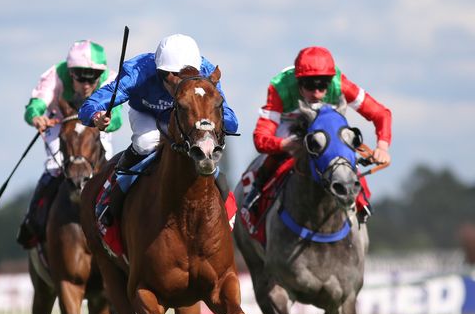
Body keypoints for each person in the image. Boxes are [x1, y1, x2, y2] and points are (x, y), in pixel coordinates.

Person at [78, 34, 239, 225]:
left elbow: (230, 120)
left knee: (203, 145)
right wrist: (96, 116)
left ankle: (227, 207)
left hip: (182, 117)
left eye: (188, 75)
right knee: (145, 143)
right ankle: (110, 195)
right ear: (161, 72)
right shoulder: (138, 71)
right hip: (146, 113)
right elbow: (90, 106)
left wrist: (212, 122)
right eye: (172, 77)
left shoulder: (207, 72)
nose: (179, 82)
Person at [246, 46, 392, 221]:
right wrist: (285, 145)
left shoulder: (340, 83)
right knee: (278, 152)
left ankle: (361, 201)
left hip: (325, 119)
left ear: (330, 82)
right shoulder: (280, 87)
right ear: (298, 83)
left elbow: (381, 114)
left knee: (344, 151)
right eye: (309, 85)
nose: (316, 92)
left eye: (322, 85)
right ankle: (256, 192)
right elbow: (260, 139)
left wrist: (382, 146)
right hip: (291, 122)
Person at [16, 40, 123, 248]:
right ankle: (34, 222)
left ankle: (118, 222)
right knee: (54, 167)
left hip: (96, 124)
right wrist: (37, 117)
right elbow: (35, 105)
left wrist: (106, 122)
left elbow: (117, 118)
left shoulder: (110, 79)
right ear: (70, 72)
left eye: (92, 78)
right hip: (61, 121)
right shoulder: (55, 75)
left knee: (107, 166)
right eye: (80, 77)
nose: (86, 85)